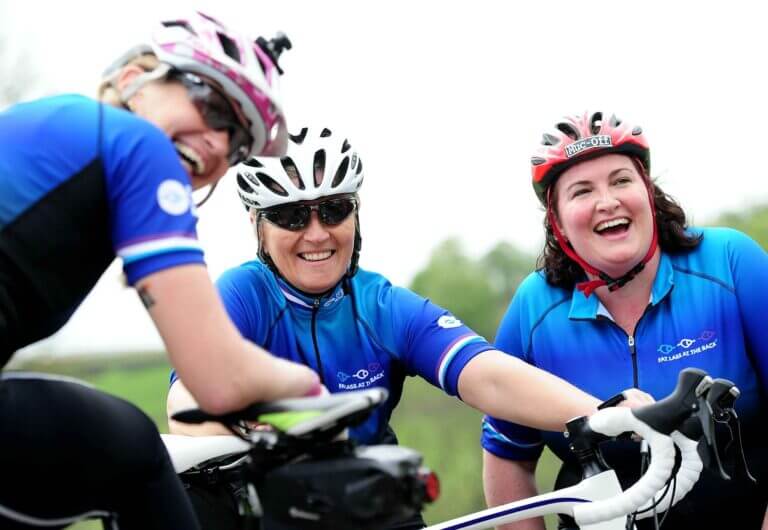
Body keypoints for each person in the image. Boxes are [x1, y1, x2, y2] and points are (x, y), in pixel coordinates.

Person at [166, 126, 650, 529]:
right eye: (291, 216)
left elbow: (488, 374)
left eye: (334, 209)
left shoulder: (380, 305)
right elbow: (187, 400)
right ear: (257, 223)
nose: (316, 233)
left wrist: (605, 413)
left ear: (356, 213)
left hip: (366, 507)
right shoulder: (240, 294)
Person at [0, 12, 320, 530]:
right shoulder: (135, 145)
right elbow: (217, 376)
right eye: (212, 104)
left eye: (237, 140)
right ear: (134, 81)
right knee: (131, 451)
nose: (218, 142)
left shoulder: (62, 133)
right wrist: (312, 391)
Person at [481, 111, 768, 529]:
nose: (607, 201)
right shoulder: (534, 307)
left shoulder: (730, 262)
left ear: (648, 192)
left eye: (621, 180)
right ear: (557, 221)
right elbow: (508, 455)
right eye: (582, 191)